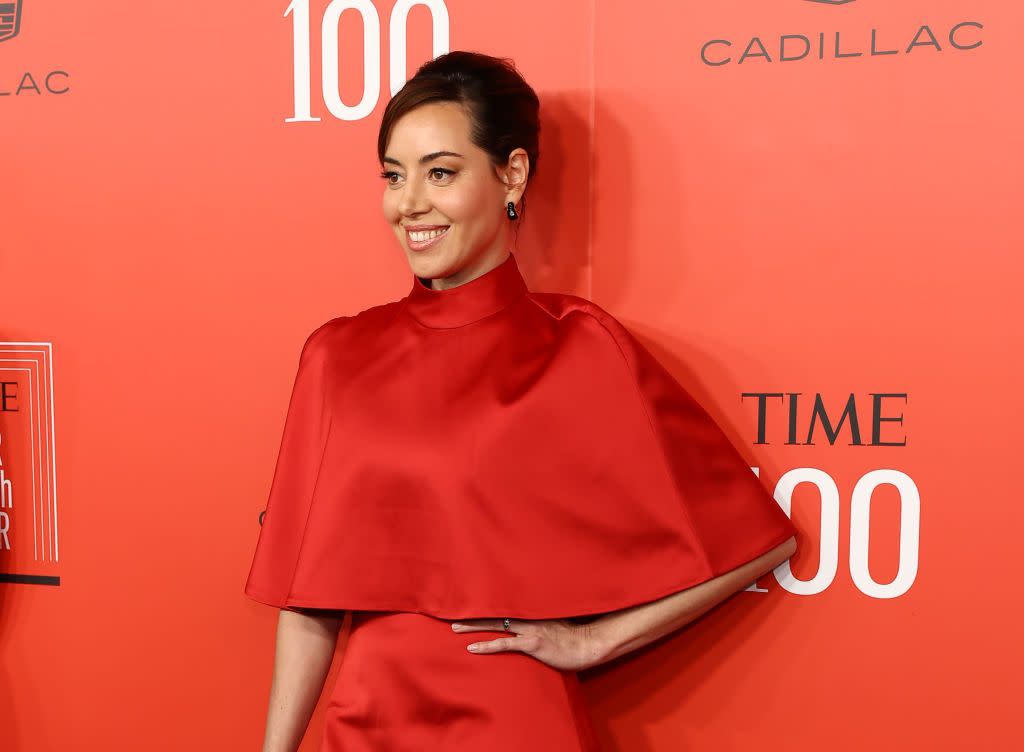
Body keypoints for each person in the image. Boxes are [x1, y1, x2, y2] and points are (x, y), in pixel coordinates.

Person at [244, 50, 798, 752]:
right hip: (367, 722)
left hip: (516, 724)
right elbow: (308, 600)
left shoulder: (575, 347)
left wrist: (596, 641)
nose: (409, 201)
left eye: (440, 172)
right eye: (393, 174)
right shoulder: (336, 356)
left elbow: (756, 539)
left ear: (511, 173)